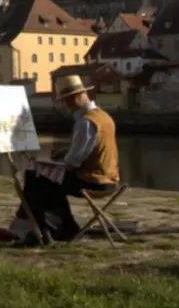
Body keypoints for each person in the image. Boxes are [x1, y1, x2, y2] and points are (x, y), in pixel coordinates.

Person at [15, 74, 120, 244]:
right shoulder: (103, 116)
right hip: (110, 178)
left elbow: (72, 163)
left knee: (35, 178)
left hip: (93, 181)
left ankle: (42, 231)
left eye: (65, 101)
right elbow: (92, 149)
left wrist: (58, 161)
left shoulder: (85, 123)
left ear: (75, 98)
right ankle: (59, 229)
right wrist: (65, 152)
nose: (64, 106)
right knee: (45, 182)